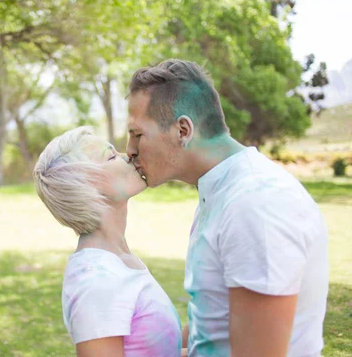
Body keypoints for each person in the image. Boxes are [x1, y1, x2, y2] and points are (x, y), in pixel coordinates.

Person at [126, 59, 329, 357]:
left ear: (182, 130)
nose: (129, 149)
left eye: (137, 134)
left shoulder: (255, 204)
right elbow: (210, 331)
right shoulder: (220, 192)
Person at [33, 126, 183, 357]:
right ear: (86, 184)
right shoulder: (95, 280)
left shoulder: (120, 260)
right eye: (111, 156)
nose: (128, 157)